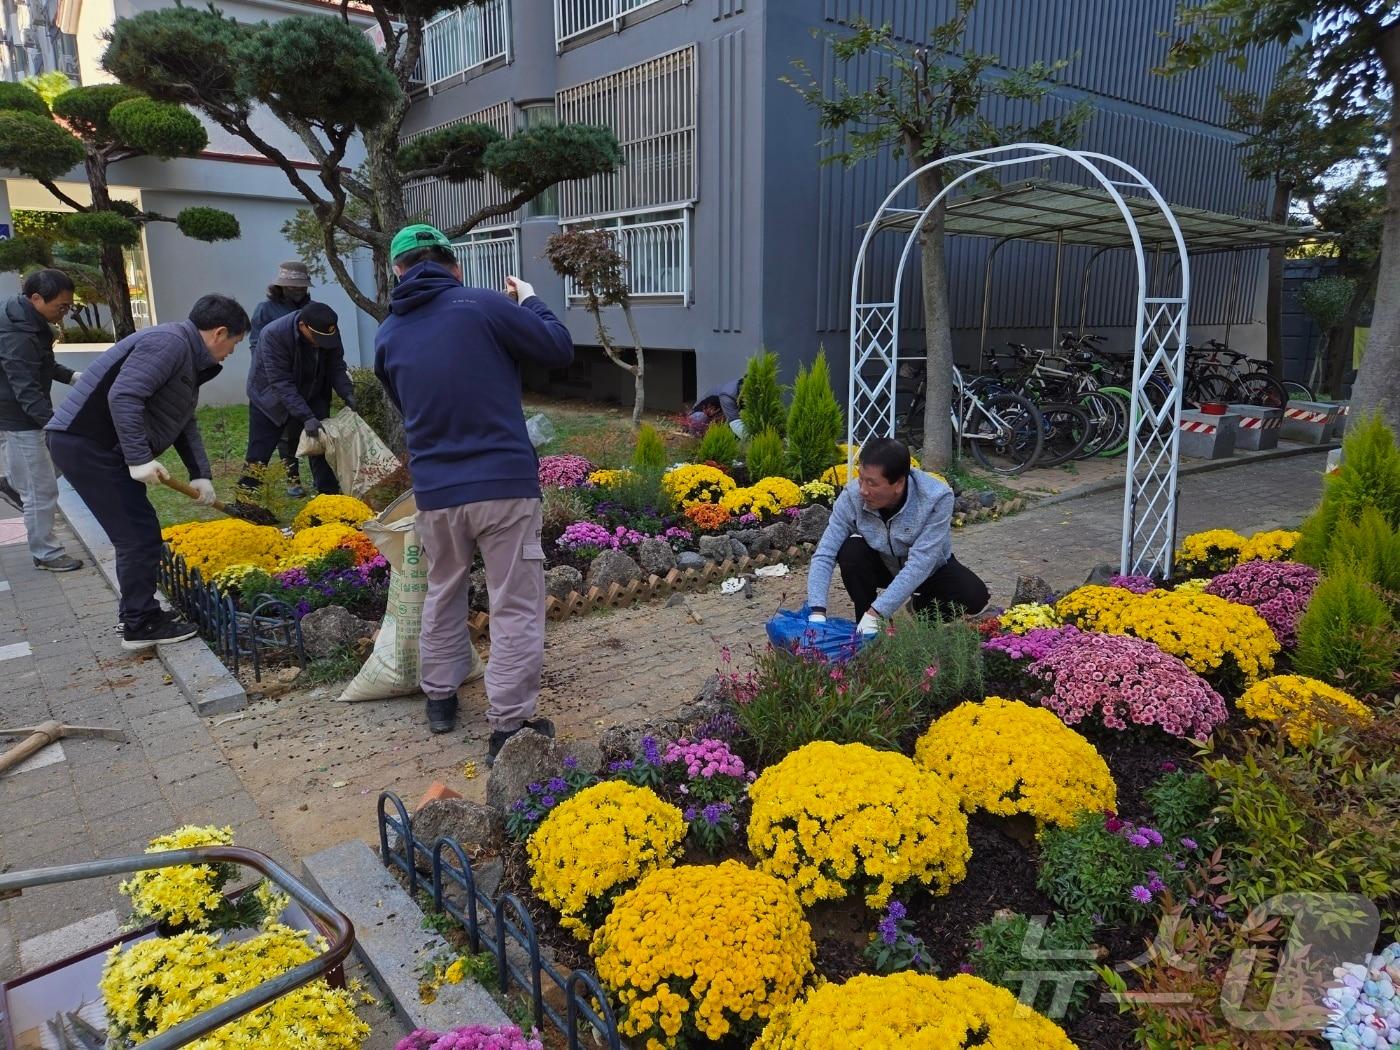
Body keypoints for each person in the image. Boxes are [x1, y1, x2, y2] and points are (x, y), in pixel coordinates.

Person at [374, 223, 574, 759]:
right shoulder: (484, 305)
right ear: (452, 264)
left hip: (436, 492)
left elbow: (404, 403)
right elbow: (557, 348)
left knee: (443, 589)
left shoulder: (388, 334)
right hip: (503, 485)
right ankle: (509, 727)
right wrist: (530, 302)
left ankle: (439, 698)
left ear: (399, 271)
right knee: (514, 605)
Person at [47, 294, 249, 651]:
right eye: (235, 342)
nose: (233, 351)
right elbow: (124, 396)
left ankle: (137, 614)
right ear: (220, 332)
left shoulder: (186, 353)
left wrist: (200, 474)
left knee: (138, 530)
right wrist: (138, 459)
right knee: (137, 534)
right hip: (87, 443)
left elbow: (183, 419)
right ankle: (140, 624)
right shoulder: (168, 344)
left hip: (101, 446)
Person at [807, 437, 989, 633]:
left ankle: (918, 610)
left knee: (975, 595)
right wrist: (817, 610)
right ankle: (868, 625)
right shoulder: (852, 497)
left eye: (872, 483)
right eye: (861, 479)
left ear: (899, 483)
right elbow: (825, 553)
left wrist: (879, 611)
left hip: (929, 569)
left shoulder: (936, 497)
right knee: (851, 552)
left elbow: (921, 562)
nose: (863, 490)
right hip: (884, 564)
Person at [0, 268, 85, 572]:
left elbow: (44, 364)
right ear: (36, 298)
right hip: (18, 416)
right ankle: (46, 553)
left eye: (68, 306)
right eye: (60, 306)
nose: (64, 313)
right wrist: (53, 425)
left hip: (15, 412)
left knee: (51, 466)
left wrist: (75, 377)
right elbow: (25, 388)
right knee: (42, 488)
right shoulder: (16, 333)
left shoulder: (28, 319)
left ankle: (11, 484)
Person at [240, 301, 354, 497]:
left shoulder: (327, 331)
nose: (321, 343)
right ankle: (245, 500)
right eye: (316, 338)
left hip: (311, 390)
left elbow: (336, 365)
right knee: (259, 452)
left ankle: (329, 497)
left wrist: (347, 392)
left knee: (321, 441)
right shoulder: (274, 334)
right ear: (302, 326)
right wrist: (305, 416)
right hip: (269, 398)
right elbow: (281, 382)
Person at [250, 262, 315, 496]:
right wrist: (274, 373)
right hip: (273, 382)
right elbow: (256, 346)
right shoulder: (265, 310)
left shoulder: (313, 309)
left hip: (304, 381)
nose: (297, 291)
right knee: (284, 434)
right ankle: (292, 478)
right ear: (281, 287)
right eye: (292, 288)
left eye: (301, 287)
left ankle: (321, 480)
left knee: (304, 429)